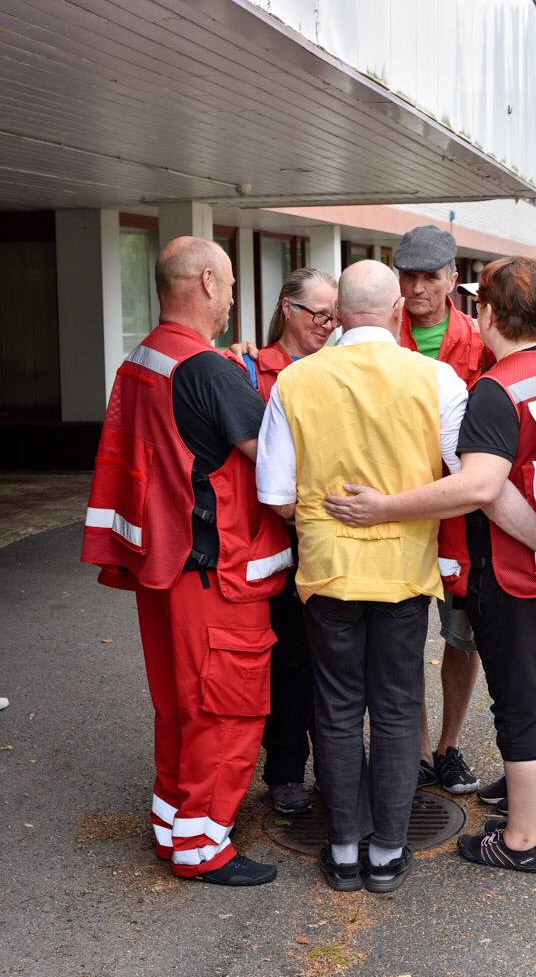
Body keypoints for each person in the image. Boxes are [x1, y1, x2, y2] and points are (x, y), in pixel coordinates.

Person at [325, 256, 536, 873]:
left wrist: (383, 507)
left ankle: (518, 843)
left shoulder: (497, 388)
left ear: (489, 313)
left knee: (522, 707)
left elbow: (480, 487)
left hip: (524, 574)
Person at [81, 237, 293, 887]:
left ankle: (173, 828)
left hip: (164, 567)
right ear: (205, 282)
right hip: (218, 574)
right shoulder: (206, 370)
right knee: (226, 712)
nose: (231, 298)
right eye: (228, 284)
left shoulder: (144, 357)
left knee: (179, 708)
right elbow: (277, 465)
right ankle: (202, 848)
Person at [256, 260, 469, 893]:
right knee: (398, 708)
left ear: (340, 314)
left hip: (328, 572)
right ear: (397, 309)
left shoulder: (296, 380)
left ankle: (345, 849)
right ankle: (388, 854)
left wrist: (322, 515)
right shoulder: (436, 379)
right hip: (404, 571)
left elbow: (275, 494)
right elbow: (466, 479)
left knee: (338, 707)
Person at [394, 225, 536, 802]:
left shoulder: (482, 336)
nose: (416, 288)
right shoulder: (377, 331)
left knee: (466, 639)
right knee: (403, 637)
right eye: (407, 276)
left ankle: (449, 747)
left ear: (451, 280)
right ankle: (417, 753)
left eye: (429, 277)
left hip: (470, 519)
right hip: (406, 515)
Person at [235, 267, 338, 814]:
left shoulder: (339, 369)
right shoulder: (249, 369)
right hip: (275, 539)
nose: (327, 324)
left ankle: (337, 764)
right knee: (290, 657)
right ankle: (285, 770)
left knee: (336, 658)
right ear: (287, 308)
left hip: (333, 532)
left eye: (333, 315)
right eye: (317, 313)